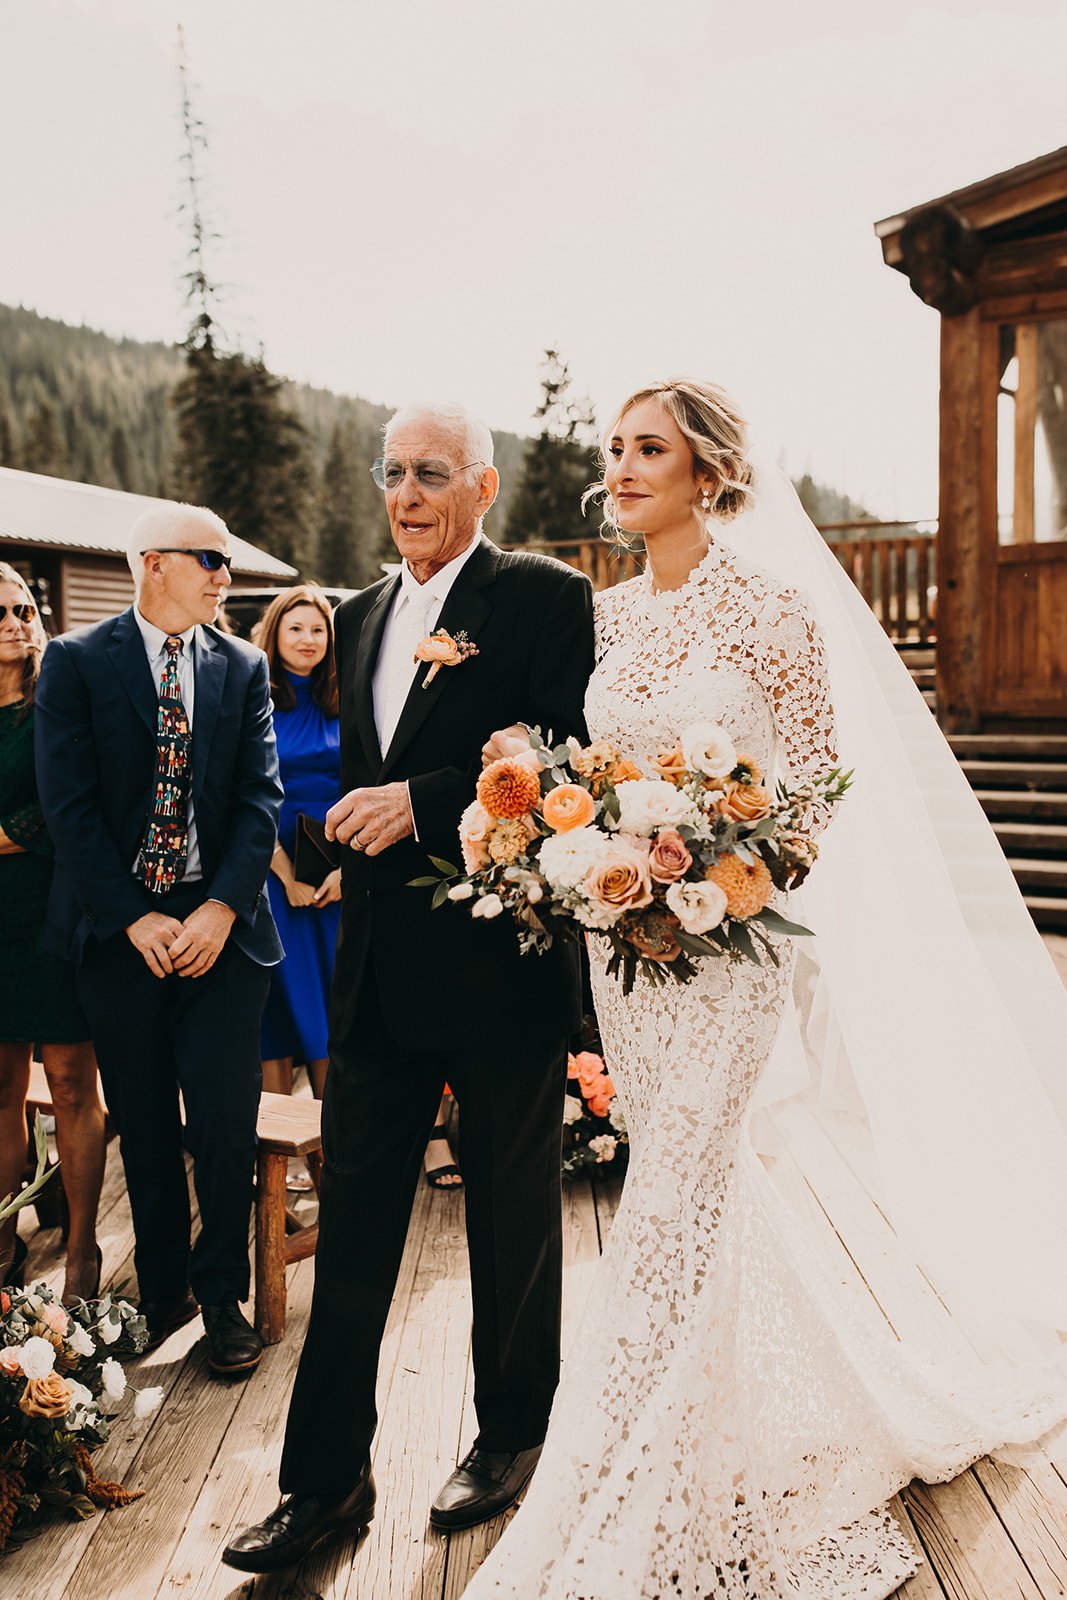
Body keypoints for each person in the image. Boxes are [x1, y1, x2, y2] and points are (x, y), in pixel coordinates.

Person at [462, 379, 1067, 1599]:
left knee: (677, 1182)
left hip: (726, 947)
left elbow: (816, 785)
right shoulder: (604, 616)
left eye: (648, 448)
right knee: (683, 1178)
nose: (621, 467)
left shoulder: (772, 609)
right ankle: (742, 1411)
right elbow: (589, 767)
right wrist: (563, 830)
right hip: (624, 945)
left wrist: (724, 875)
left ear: (708, 471)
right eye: (613, 448)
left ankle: (644, 1455)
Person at [222, 402, 595, 1574]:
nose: (406, 493)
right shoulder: (357, 613)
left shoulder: (541, 596)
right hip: (376, 977)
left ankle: (512, 1434)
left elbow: (566, 751)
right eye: (391, 471)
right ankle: (324, 1482)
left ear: (484, 486)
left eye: (431, 471)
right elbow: (357, 768)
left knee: (510, 1220)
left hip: (500, 965)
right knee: (354, 1231)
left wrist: (424, 802)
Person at [35, 504, 284, 1375]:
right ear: (153, 564)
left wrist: (218, 909)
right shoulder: (74, 661)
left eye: (227, 561)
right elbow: (66, 804)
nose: (226, 575)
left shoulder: (242, 665)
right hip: (119, 932)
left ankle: (222, 1299)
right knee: (141, 1120)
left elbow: (259, 798)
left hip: (221, 930)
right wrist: (132, 916)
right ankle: (164, 1288)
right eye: (210, 559)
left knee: (223, 1121)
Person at [0, 563, 106, 1302]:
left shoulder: (59, 698)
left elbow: (68, 801)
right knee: (1, 1088)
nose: (15, 622)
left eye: (24, 609)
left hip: (56, 911)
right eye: (0, 613)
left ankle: (81, 1249)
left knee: (70, 1083)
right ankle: (2, 1237)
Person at [253, 585, 341, 1192]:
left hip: (338, 874)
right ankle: (276, 1162)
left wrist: (346, 871)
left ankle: (338, 1155)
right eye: (296, 628)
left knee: (331, 1009)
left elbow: (366, 784)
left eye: (318, 629)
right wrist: (284, 876)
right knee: (277, 1009)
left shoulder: (346, 699)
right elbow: (243, 794)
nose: (308, 640)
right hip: (270, 875)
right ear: (275, 634)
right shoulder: (253, 699)